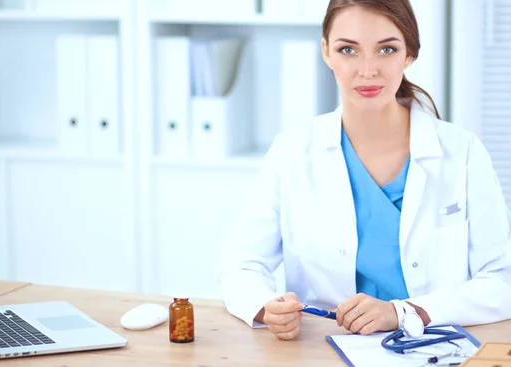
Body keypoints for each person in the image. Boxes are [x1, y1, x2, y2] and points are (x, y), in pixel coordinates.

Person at [217, 0, 511, 341]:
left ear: (409, 54)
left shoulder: (462, 152)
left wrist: (405, 312)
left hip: (433, 347)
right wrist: (266, 305)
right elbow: (241, 265)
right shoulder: (292, 152)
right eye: (348, 50)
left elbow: (502, 281)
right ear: (326, 52)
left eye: (387, 49)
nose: (368, 69)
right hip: (323, 348)